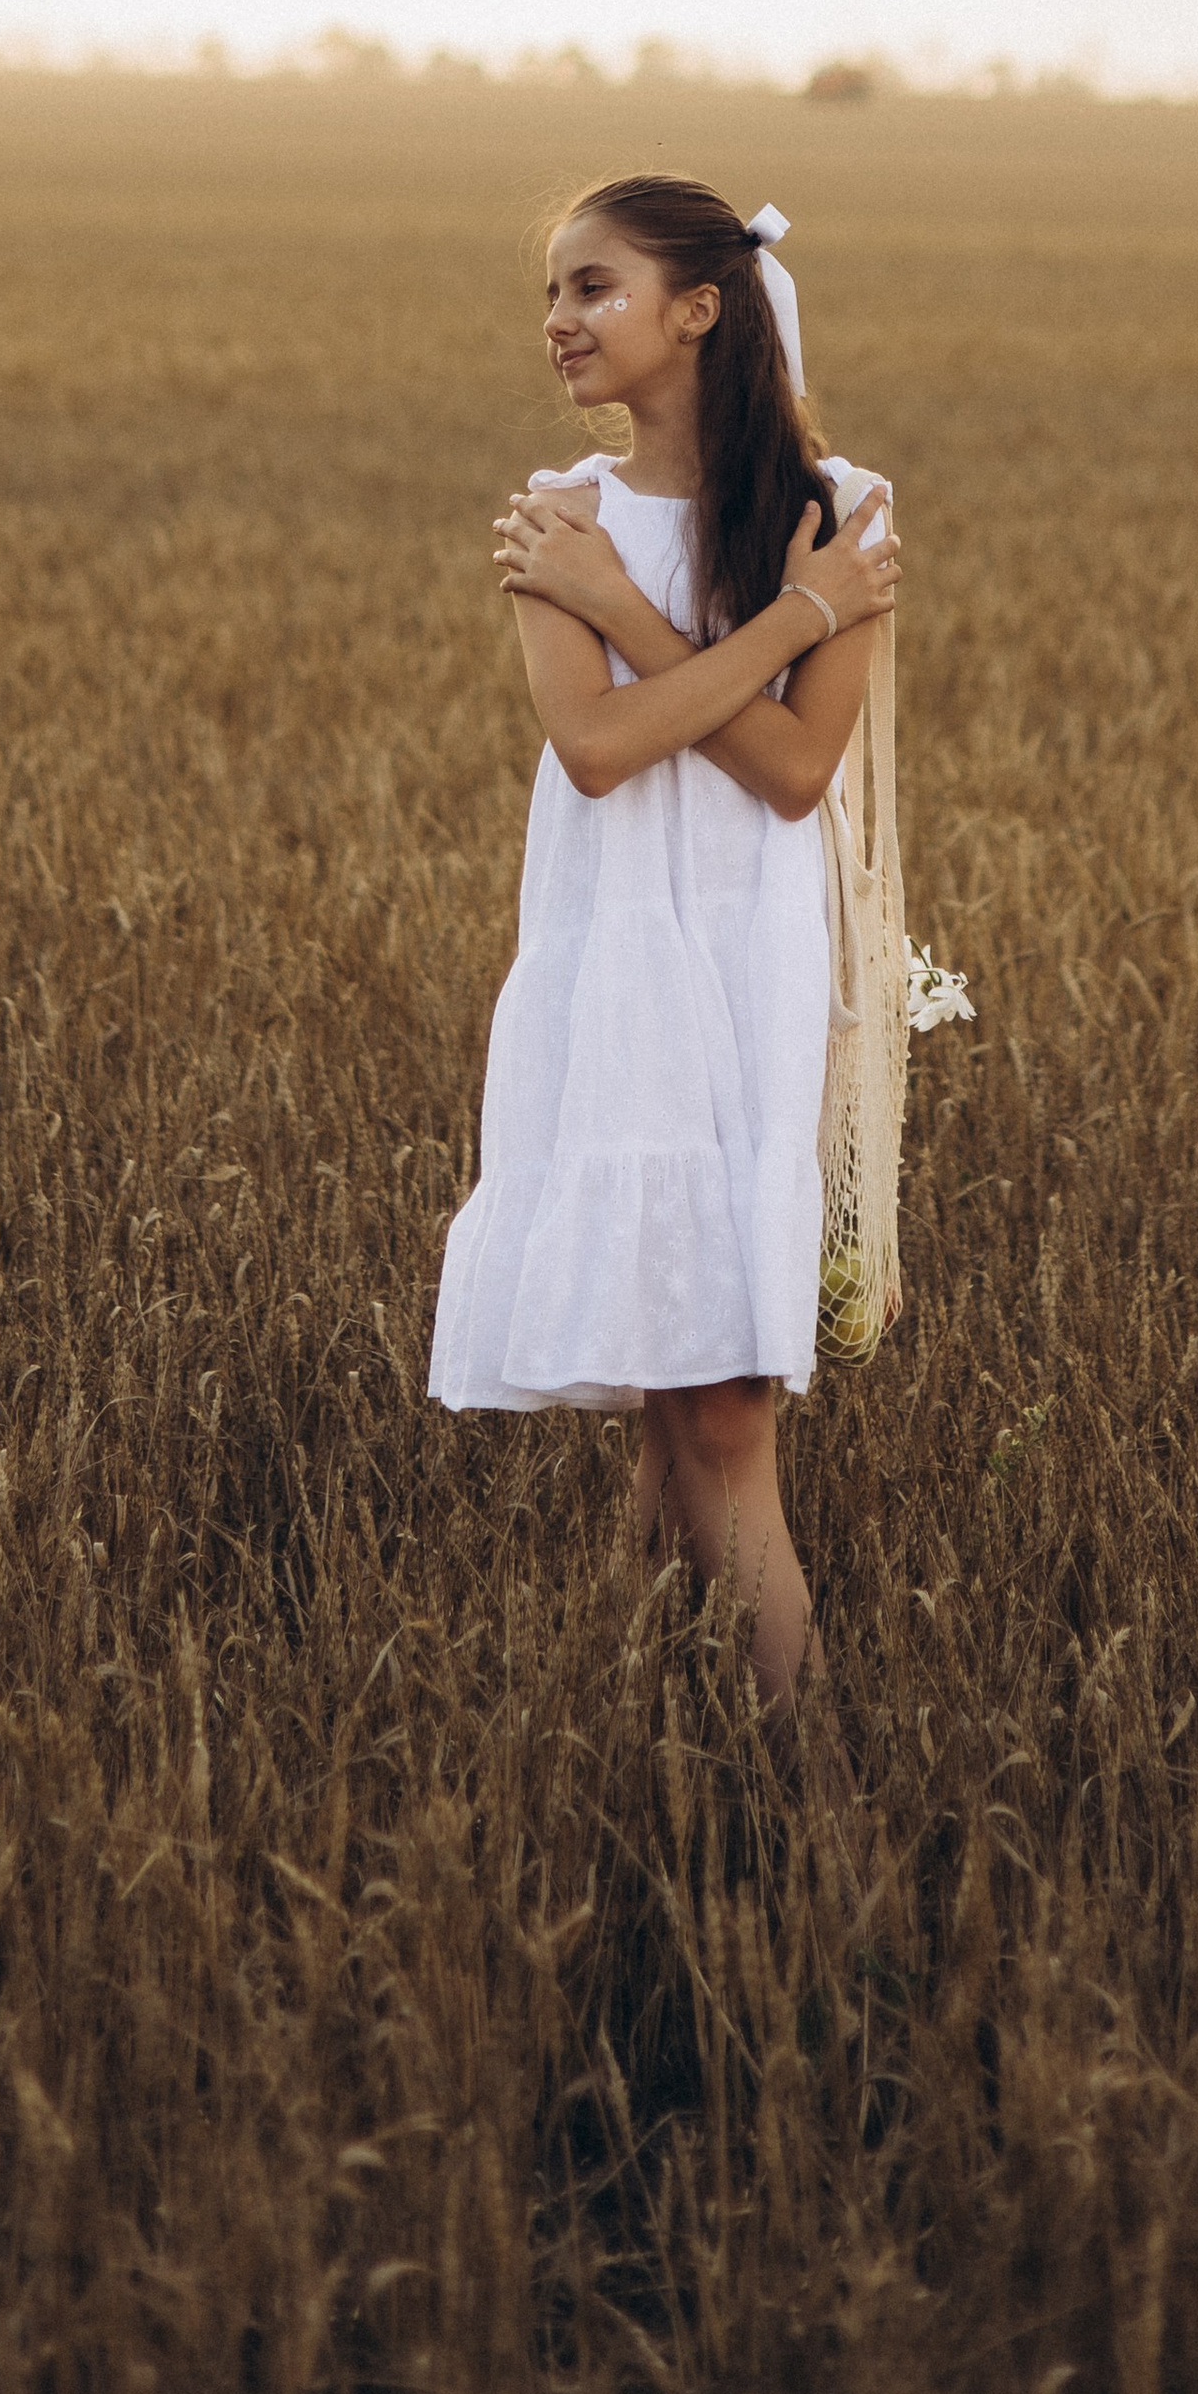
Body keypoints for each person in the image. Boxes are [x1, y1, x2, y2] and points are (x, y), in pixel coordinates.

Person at [427, 175, 896, 1725]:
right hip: (619, 975)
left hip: (751, 977)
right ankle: (615, 1750)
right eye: (553, 292)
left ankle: (822, 1827)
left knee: (719, 1411)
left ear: (700, 307)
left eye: (593, 288)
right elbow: (602, 745)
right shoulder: (558, 516)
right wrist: (780, 625)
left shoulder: (838, 513)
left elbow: (794, 772)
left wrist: (660, 606)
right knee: (677, 1401)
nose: (558, 321)